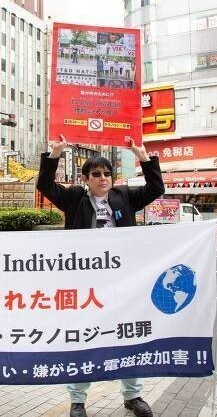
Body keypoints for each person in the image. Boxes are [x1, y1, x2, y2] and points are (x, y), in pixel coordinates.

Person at [37, 134, 165, 417]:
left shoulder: (125, 196)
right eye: (96, 174)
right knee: (84, 337)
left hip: (123, 283)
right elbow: (44, 185)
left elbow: (156, 187)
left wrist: (143, 157)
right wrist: (55, 154)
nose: (103, 178)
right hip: (85, 286)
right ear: (85, 179)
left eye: (107, 173)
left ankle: (132, 395)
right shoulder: (74, 198)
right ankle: (78, 400)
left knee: (127, 335)